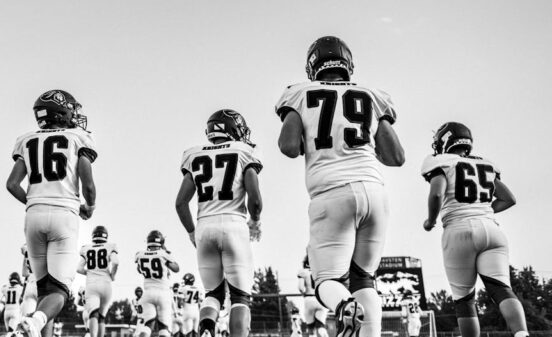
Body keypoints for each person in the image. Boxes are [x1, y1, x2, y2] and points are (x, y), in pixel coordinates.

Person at [276, 36, 405, 337]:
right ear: (347, 64)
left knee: (328, 283)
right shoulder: (371, 94)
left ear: (312, 65)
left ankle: (345, 305)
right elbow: (396, 157)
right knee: (365, 279)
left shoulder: (299, 92)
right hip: (374, 191)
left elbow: (287, 146)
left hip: (331, 192)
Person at [421, 122, 528, 337]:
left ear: (444, 141)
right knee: (501, 288)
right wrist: (483, 212)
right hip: (492, 229)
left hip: (458, 229)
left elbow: (436, 194)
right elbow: (508, 199)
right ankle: (522, 333)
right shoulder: (485, 164)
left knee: (464, 299)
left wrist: (430, 221)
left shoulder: (439, 162)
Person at [6, 90, 98, 337]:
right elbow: (88, 184)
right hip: (64, 215)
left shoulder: (27, 140)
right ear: (63, 112)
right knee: (59, 292)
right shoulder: (78, 137)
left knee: (45, 291)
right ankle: (31, 325)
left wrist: (35, 202)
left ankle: (34, 328)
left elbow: (12, 184)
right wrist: (89, 206)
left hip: (33, 216)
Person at [175, 109, 263, 337]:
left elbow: (180, 203)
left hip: (204, 225)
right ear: (233, 129)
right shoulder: (244, 151)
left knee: (212, 294)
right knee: (240, 296)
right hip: (234, 224)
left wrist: (192, 232)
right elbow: (255, 198)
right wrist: (255, 221)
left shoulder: (193, 154)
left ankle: (206, 329)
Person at [134, 231, 180, 337]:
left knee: (147, 326)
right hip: (163, 293)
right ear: (161, 242)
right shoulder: (164, 254)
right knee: (164, 328)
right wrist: (165, 250)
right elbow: (176, 268)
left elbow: (139, 270)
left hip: (148, 293)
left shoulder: (139, 254)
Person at [77, 226, 119, 337]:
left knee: (93, 314)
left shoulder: (86, 248)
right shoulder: (110, 246)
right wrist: (112, 275)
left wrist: (90, 272)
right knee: (102, 317)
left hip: (92, 284)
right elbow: (115, 262)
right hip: (106, 284)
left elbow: (79, 269)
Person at [297, 256, 327, 337]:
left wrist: (304, 294)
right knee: (321, 326)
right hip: (320, 299)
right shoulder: (321, 271)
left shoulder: (303, 272)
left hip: (309, 299)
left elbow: (300, 288)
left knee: (311, 330)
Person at [21, 244, 39, 317]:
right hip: (45, 282)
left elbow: (25, 273)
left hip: (32, 281)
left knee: (27, 320)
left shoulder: (27, 246)